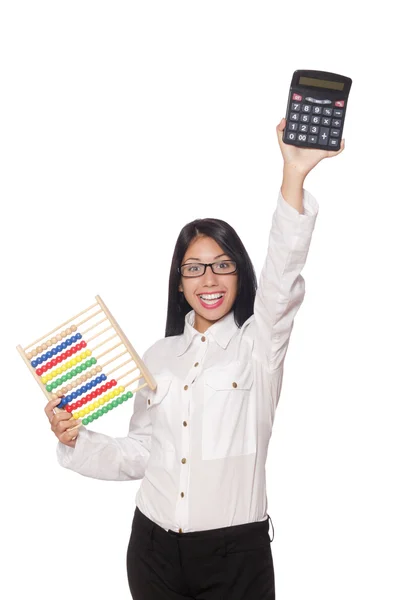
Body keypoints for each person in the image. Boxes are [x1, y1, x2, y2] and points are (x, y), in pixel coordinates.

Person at [45, 117, 345, 599]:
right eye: (195, 268)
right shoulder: (159, 357)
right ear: (180, 283)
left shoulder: (259, 346)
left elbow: (283, 275)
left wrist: (294, 175)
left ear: (239, 275)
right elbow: (142, 452)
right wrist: (78, 438)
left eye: (222, 266)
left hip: (235, 558)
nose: (209, 279)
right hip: (152, 551)